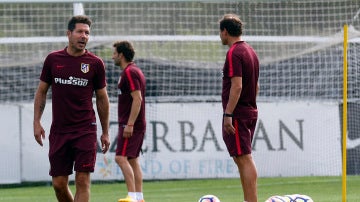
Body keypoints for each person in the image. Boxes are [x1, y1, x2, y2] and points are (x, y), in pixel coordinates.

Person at [33, 15, 110, 202]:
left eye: (87, 33)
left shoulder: (95, 63)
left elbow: (102, 98)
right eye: (80, 32)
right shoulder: (53, 59)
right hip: (59, 130)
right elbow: (42, 91)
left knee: (82, 180)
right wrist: (36, 121)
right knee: (59, 184)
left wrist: (105, 132)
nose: (84, 36)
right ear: (69, 34)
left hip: (85, 129)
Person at [219, 14, 260, 202]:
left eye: (220, 33)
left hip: (238, 113)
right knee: (240, 158)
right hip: (249, 110)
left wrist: (229, 114)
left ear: (225, 31)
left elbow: (237, 85)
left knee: (244, 158)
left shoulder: (234, 52)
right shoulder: (251, 51)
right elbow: (256, 85)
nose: (220, 36)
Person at [112, 41, 146, 202]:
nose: (112, 57)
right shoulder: (132, 71)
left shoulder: (130, 72)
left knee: (120, 158)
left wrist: (130, 124)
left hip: (130, 124)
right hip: (133, 123)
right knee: (132, 159)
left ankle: (132, 196)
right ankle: (139, 198)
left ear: (121, 55)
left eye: (114, 53)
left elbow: (137, 98)